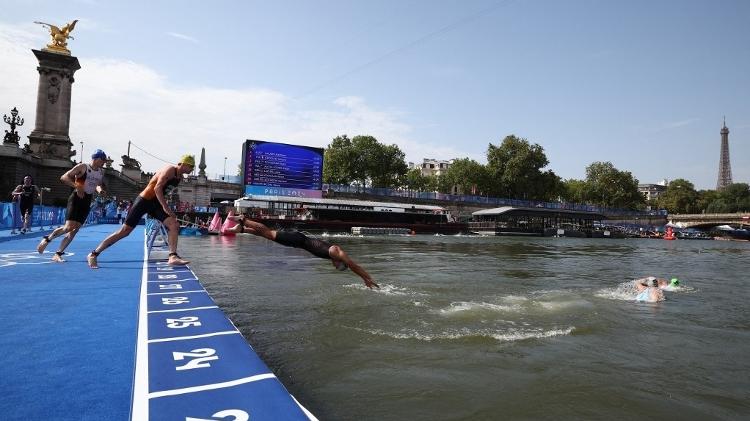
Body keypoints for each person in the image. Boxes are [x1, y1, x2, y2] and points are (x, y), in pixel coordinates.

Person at [87, 155, 195, 269]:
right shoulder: (170, 170)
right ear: (183, 163)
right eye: (191, 166)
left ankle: (172, 256)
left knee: (174, 225)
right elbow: (157, 188)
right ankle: (94, 254)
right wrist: (166, 208)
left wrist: (163, 206)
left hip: (155, 204)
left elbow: (164, 192)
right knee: (124, 231)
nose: (192, 169)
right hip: (144, 201)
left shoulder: (179, 178)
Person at [225, 215, 379, 289]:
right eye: (337, 266)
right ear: (340, 262)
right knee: (269, 233)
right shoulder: (335, 252)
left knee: (268, 235)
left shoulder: (332, 255)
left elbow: (352, 266)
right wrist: (367, 278)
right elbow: (353, 265)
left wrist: (365, 278)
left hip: (298, 242)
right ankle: (243, 220)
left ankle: (242, 229)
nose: (334, 266)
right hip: (298, 240)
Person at [37, 150, 108, 261]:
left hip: (87, 199)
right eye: (103, 160)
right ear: (97, 158)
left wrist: (100, 191)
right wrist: (77, 186)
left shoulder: (100, 171)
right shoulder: (83, 167)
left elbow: (98, 184)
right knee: (69, 227)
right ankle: (47, 239)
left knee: (75, 230)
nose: (104, 162)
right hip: (76, 197)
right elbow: (64, 177)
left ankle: (58, 254)